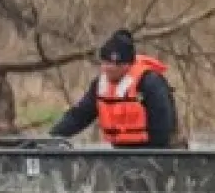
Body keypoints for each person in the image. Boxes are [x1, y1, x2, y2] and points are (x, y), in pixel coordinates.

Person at [46, 29, 180, 148]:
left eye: (116, 64)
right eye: (106, 63)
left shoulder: (150, 83)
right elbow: (79, 115)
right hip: (122, 155)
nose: (109, 68)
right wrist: (50, 138)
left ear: (128, 65)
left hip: (159, 153)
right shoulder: (101, 85)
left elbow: (163, 130)